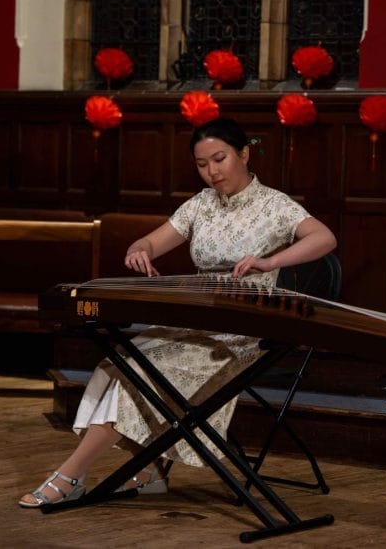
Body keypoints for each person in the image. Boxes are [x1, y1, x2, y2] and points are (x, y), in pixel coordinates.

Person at [20, 117, 337, 507]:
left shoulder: (275, 204)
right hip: (197, 320)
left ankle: (70, 475)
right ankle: (148, 469)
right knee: (119, 363)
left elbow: (325, 237)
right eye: (202, 165)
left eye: (219, 159)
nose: (212, 172)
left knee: (141, 374)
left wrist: (271, 263)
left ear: (244, 153)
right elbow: (150, 241)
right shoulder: (201, 204)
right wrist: (140, 250)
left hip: (242, 332)